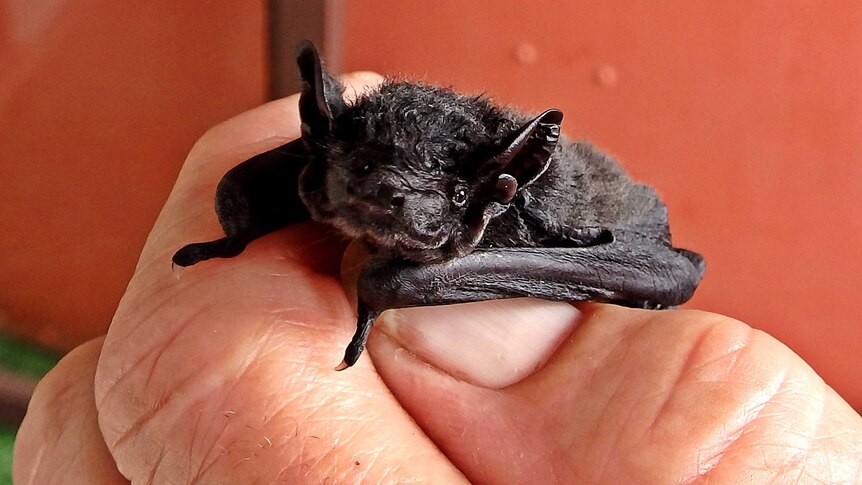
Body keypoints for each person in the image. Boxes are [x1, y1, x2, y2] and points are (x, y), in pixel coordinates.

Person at [14, 72, 862, 484]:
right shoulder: (330, 169)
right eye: (357, 182)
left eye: (414, 201)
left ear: (492, 189)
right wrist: (236, 236)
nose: (382, 205)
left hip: (578, 234)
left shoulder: (533, 209)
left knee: (389, 283)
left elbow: (677, 269)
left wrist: (404, 286)